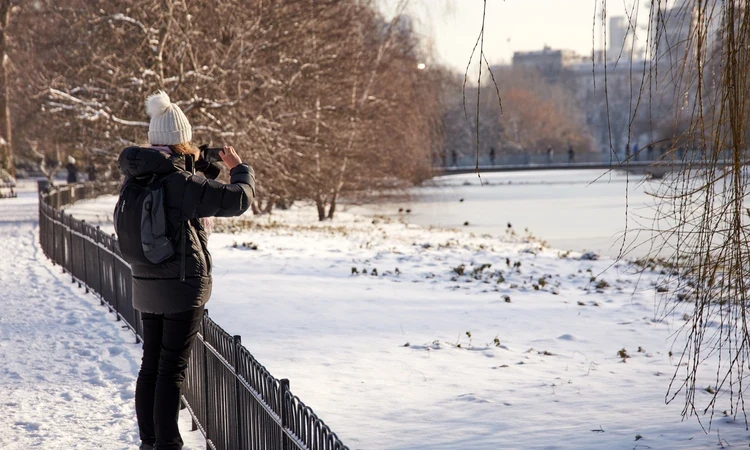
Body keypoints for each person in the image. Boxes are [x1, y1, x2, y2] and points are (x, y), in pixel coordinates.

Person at [118, 91, 255, 450]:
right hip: (180, 287)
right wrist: (240, 169)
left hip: (146, 282)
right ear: (182, 142)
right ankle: (168, 444)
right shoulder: (179, 183)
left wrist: (202, 163)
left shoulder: (139, 175)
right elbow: (237, 198)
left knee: (151, 366)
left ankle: (150, 441)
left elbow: (189, 183)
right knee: (171, 371)